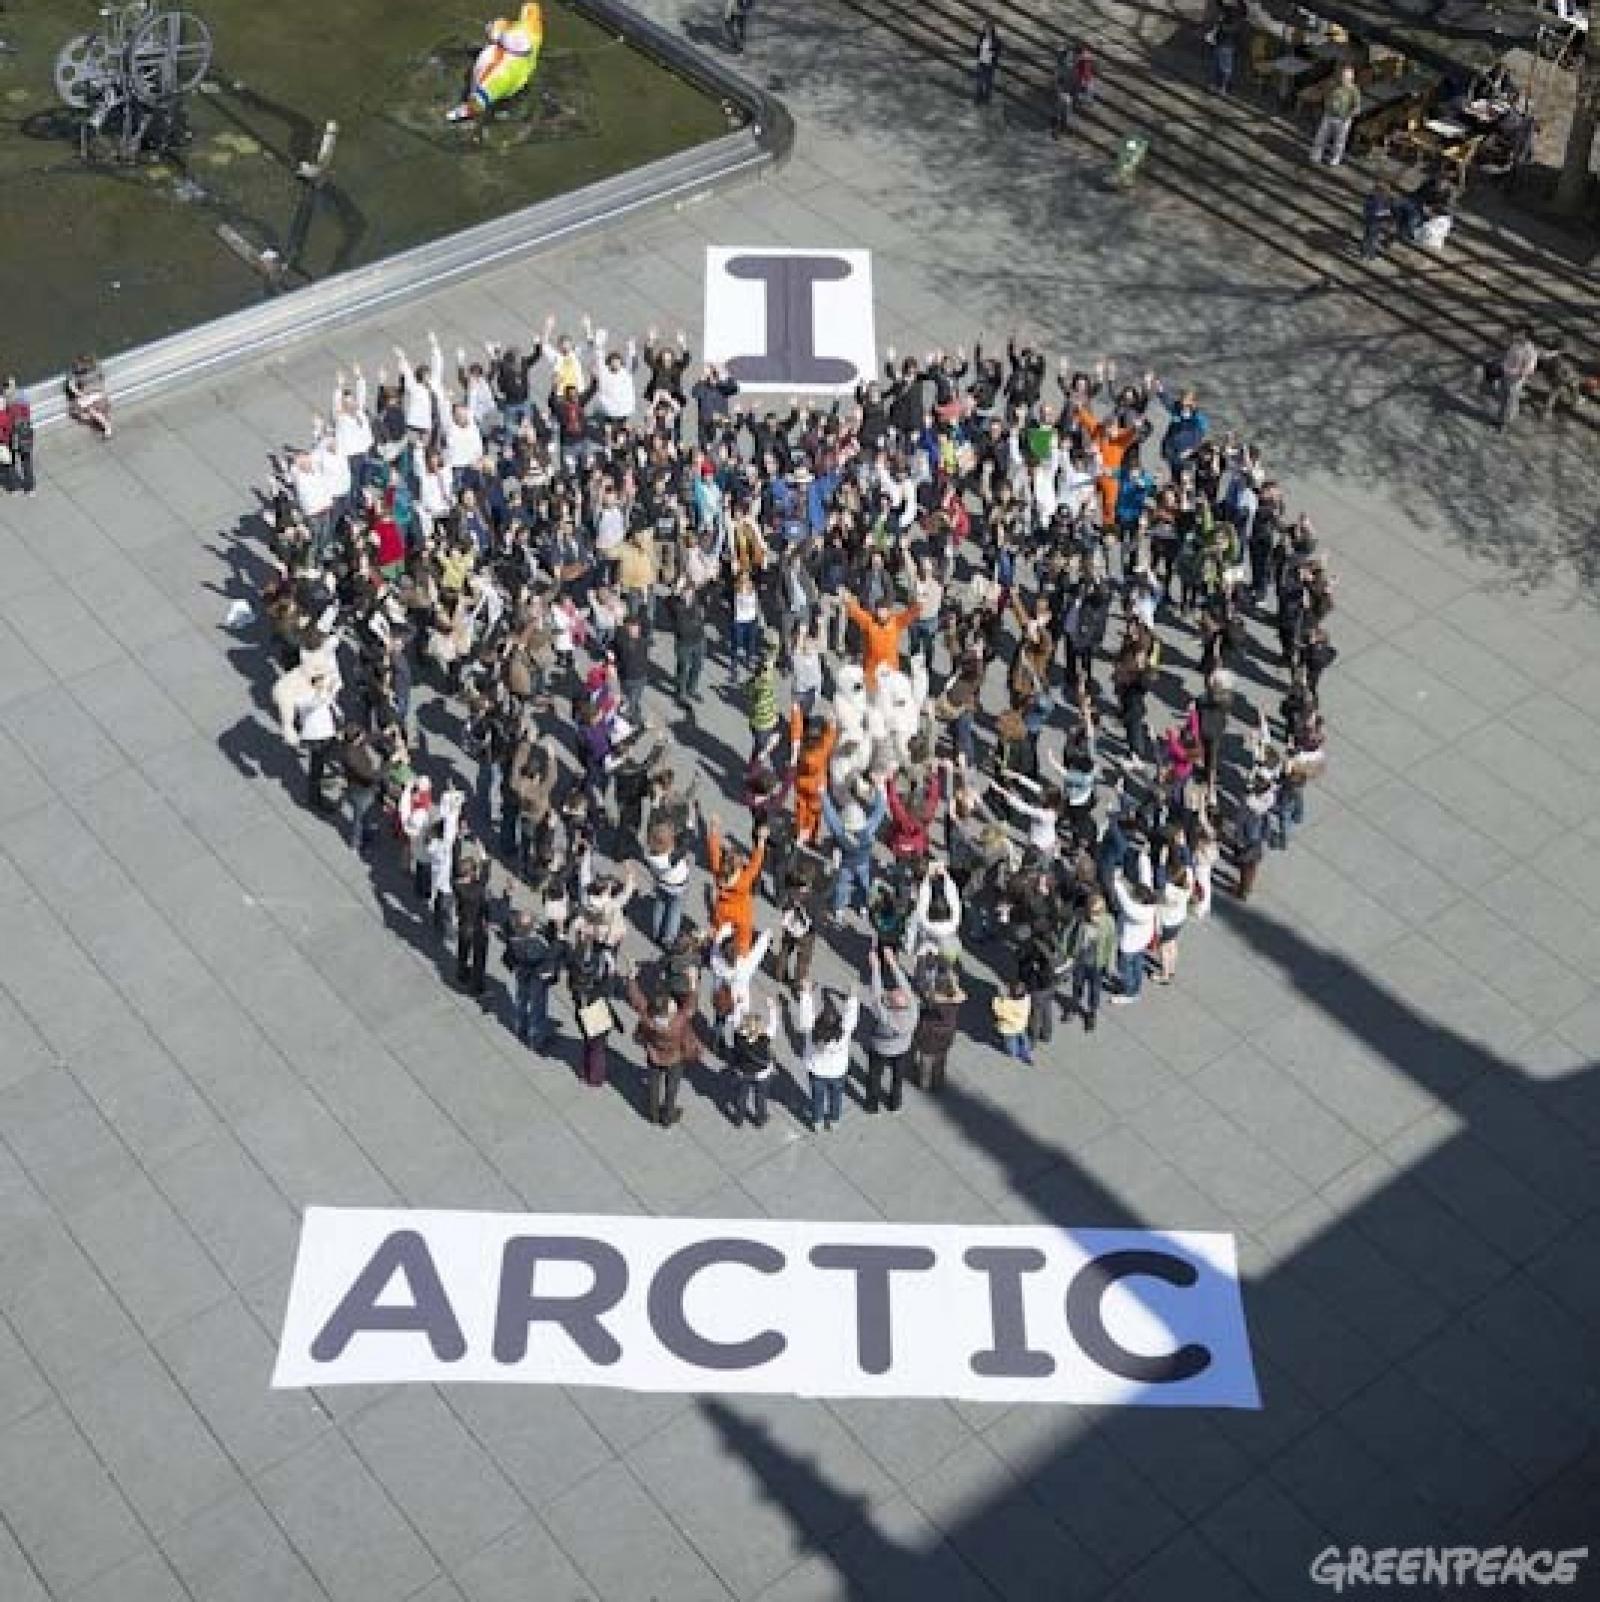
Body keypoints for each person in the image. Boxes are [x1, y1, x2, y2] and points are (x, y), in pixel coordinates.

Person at [624, 961, 700, 1127]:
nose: (674, 1003)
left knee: (654, 1085)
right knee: (672, 1088)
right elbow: (691, 1006)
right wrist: (693, 982)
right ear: (669, 1011)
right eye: (672, 1004)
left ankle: (653, 1113)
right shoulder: (678, 1022)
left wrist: (631, 979)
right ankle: (668, 1115)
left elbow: (637, 1000)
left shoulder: (648, 1017)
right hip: (674, 1058)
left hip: (654, 1055)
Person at [863, 945, 919, 1113]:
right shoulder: (913, 1009)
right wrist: (893, 963)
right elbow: (905, 986)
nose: (896, 989)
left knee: (874, 1077)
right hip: (902, 1049)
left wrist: (876, 968)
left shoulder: (885, 1016)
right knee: (897, 1078)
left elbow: (876, 992)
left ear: (891, 1004)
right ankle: (895, 1105)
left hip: (880, 1049)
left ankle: (872, 1106)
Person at [796, 981, 858, 1131]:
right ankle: (834, 1121)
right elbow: (851, 1016)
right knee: (836, 1097)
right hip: (837, 1072)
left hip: (817, 1072)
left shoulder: (811, 1032)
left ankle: (817, 1122)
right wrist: (853, 996)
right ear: (837, 1023)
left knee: (817, 1098)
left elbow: (805, 1016)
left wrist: (806, 993)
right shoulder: (843, 1033)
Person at [1311, 66, 1362, 167]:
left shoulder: (1354, 90)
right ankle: (1316, 155)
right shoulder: (1334, 85)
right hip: (1329, 115)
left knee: (1339, 141)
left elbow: (1357, 108)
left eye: (1347, 78)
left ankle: (1335, 158)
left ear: (1351, 79)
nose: (1344, 79)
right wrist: (1326, 105)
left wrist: (1349, 115)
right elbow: (1326, 94)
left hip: (1343, 119)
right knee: (1321, 136)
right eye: (1343, 77)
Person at [0, 379, 36, 496]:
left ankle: (17, 487)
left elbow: (4, 422)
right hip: (22, 435)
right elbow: (27, 417)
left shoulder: (6, 402)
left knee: (10, 462)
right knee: (23, 461)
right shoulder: (22, 397)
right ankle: (28, 488)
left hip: (13, 436)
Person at [65, 354, 112, 438]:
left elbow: (71, 385)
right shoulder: (97, 369)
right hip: (99, 395)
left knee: (86, 409)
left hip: (92, 395)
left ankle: (105, 426)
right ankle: (104, 424)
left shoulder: (80, 376)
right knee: (89, 409)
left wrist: (80, 394)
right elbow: (102, 380)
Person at [993, 978, 1034, 1061]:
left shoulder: (1007, 1003)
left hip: (1009, 1029)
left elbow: (998, 1011)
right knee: (1023, 1039)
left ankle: (1013, 1053)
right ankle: (1027, 1053)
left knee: (1011, 1045)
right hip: (1021, 1025)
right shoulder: (1026, 998)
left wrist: (999, 998)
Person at [1361, 181, 1393, 261]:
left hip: (1375, 221)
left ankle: (1364, 254)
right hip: (1373, 221)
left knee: (1368, 237)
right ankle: (1370, 255)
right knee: (1372, 239)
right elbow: (1372, 211)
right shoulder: (1375, 199)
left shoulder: (1380, 199)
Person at [973, 19, 1001, 106]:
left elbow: (998, 51)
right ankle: (978, 98)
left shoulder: (996, 40)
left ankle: (986, 99)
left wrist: (992, 53)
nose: (987, 30)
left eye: (989, 28)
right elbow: (978, 47)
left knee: (988, 82)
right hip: (981, 61)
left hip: (990, 63)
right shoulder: (981, 37)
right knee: (979, 82)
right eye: (986, 28)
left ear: (992, 29)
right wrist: (978, 54)